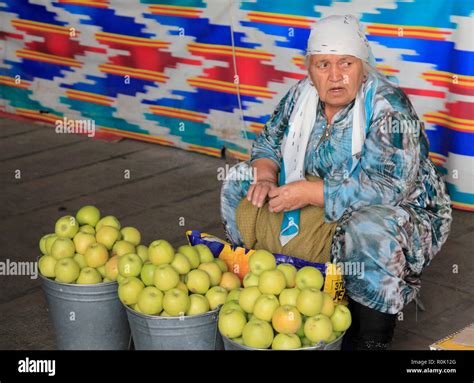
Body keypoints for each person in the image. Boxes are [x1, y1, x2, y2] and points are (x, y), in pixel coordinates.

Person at [220, 15, 452, 350]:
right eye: (323, 64)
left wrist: (312, 193)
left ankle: (369, 335)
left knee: (369, 229)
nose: (335, 75)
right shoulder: (302, 96)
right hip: (322, 194)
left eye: (346, 63)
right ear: (309, 70)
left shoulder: (388, 106)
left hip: (405, 210)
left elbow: (388, 187)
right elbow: (269, 142)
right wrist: (267, 176)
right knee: (239, 182)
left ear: (362, 65)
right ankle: (268, 292)